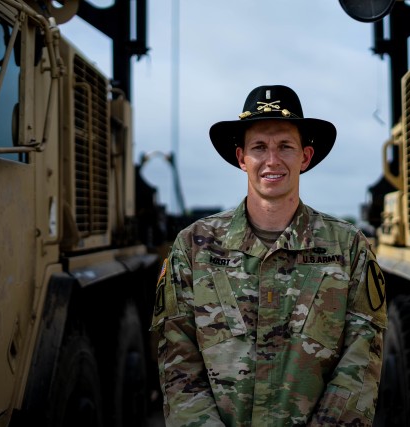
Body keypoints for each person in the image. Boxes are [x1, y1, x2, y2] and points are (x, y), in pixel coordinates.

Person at [151, 85, 387, 426]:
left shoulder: (348, 248)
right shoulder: (193, 246)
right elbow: (178, 360)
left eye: (285, 147)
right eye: (259, 147)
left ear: (304, 157)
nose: (272, 160)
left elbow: (361, 363)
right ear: (241, 158)